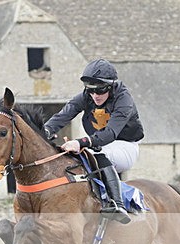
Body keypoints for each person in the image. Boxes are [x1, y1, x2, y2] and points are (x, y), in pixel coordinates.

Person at [44, 58, 144, 224]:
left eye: (101, 90)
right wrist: (45, 131)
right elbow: (63, 116)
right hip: (98, 144)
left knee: (97, 153)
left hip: (125, 146)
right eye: (91, 91)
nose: (95, 96)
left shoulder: (124, 100)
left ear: (111, 86)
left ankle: (116, 204)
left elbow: (110, 134)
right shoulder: (87, 96)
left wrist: (80, 142)